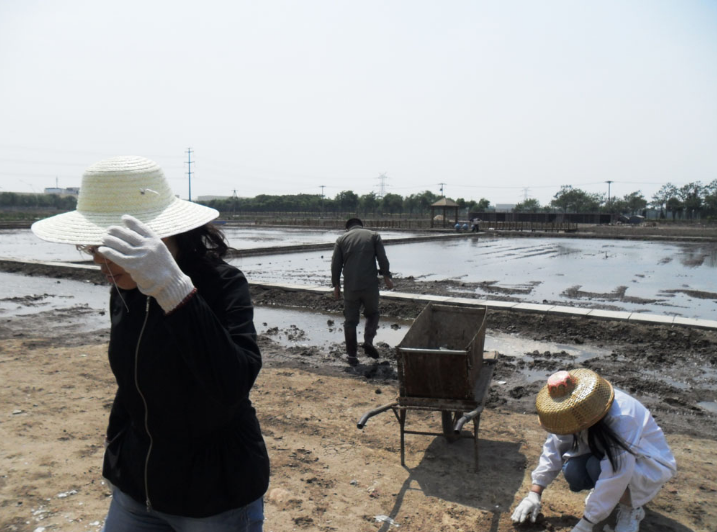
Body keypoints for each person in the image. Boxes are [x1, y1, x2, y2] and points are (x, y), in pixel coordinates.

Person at [31, 156, 270, 532]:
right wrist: (118, 451)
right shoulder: (124, 291)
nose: (102, 260)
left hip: (215, 494)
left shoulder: (221, 283)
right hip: (137, 488)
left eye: (116, 245)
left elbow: (233, 383)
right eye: (94, 246)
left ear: (161, 235)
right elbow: (133, 383)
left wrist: (173, 291)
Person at [511, 369, 676, 532]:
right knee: (573, 471)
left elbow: (617, 473)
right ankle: (606, 498)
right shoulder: (566, 412)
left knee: (598, 469)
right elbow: (553, 449)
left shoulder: (623, 417)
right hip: (602, 454)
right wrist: (535, 493)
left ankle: (631, 509)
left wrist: (586, 524)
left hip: (645, 462)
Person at [331, 218, 393, 366]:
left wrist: (336, 286)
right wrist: (387, 276)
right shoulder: (373, 235)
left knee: (350, 321)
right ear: (361, 225)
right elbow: (382, 258)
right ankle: (368, 341)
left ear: (348, 228)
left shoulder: (341, 239)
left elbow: (335, 264)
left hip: (351, 287)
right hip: (370, 285)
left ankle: (352, 356)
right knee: (373, 314)